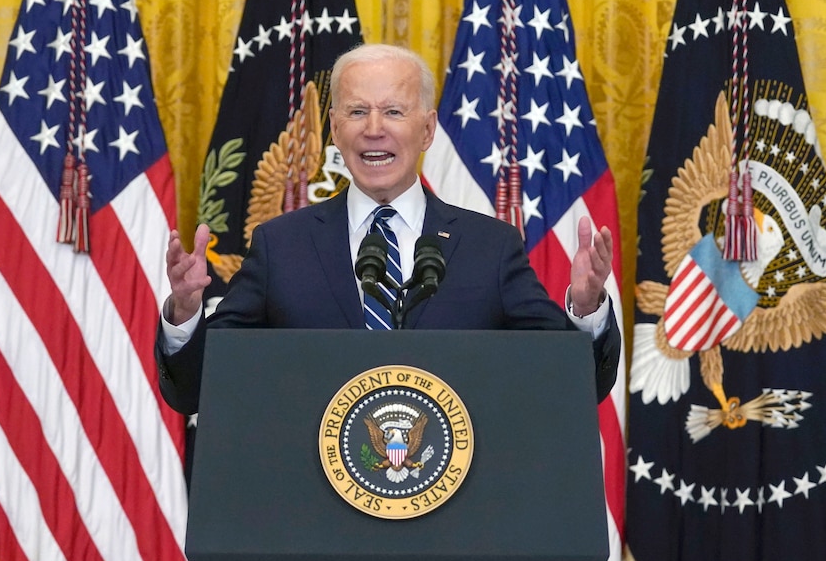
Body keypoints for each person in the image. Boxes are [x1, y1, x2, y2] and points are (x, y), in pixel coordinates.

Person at [156, 43, 620, 416]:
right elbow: (195, 390)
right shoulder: (281, 245)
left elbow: (573, 386)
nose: (374, 129)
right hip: (316, 517)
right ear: (335, 130)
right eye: (357, 112)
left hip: (453, 517)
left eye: (394, 112)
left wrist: (585, 308)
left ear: (428, 130)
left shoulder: (489, 248)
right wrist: (184, 313)